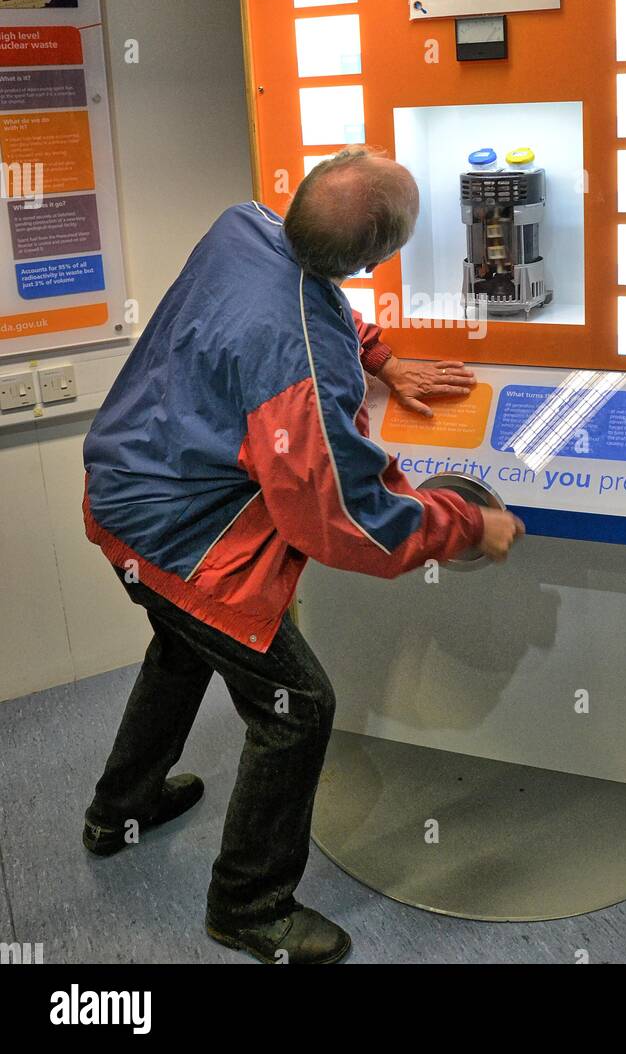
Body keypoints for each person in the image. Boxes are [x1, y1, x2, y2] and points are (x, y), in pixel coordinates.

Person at [81, 146, 523, 965]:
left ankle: (120, 809)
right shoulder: (304, 378)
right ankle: (250, 906)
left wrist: (381, 360)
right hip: (185, 543)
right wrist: (468, 525)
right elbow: (350, 524)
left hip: (119, 497)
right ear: (378, 258)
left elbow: (305, 298)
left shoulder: (240, 227)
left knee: (180, 650)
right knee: (297, 707)